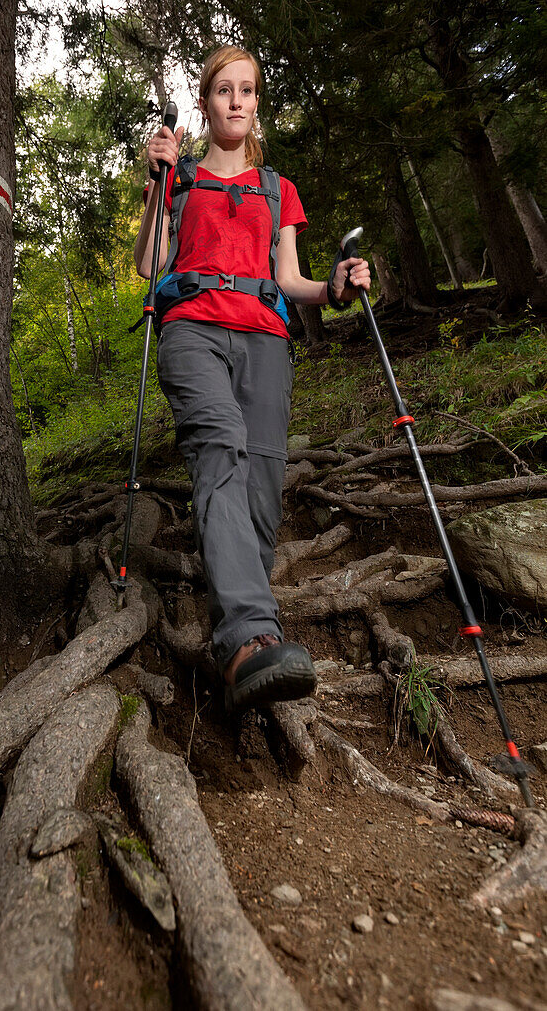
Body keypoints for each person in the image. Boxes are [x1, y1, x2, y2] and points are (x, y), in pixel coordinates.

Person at [134, 45, 371, 710]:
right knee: (219, 451)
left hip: (265, 339)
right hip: (193, 332)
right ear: (205, 102)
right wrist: (155, 184)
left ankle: (248, 624)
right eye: (222, 90)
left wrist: (336, 288)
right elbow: (150, 263)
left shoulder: (276, 188)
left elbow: (290, 279)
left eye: (247, 90)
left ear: (256, 102)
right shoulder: (175, 179)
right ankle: (245, 641)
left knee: (262, 477)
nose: (235, 100)